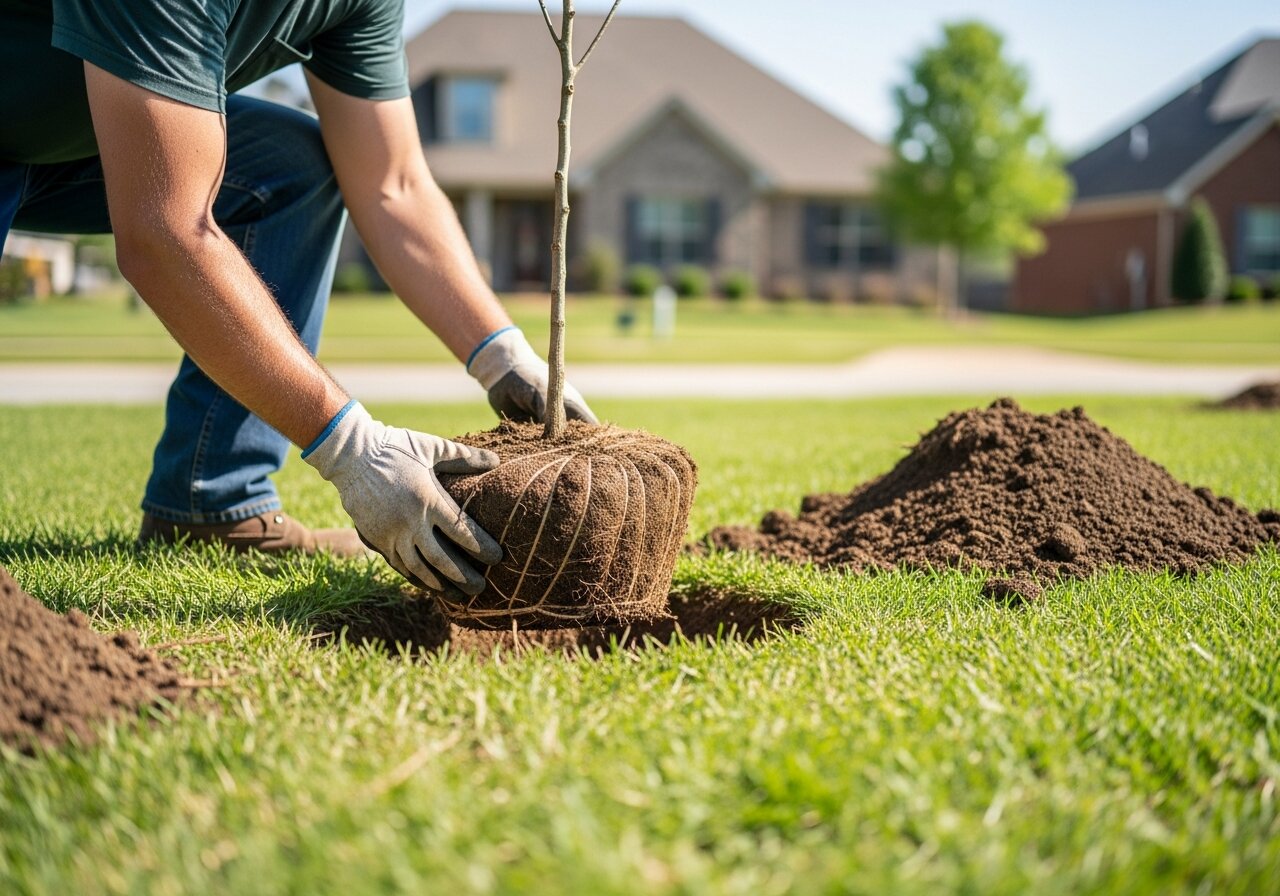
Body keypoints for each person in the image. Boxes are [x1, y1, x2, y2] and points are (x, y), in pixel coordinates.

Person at [0, 0, 596, 598]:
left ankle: (212, 506)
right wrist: (354, 450)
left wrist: (505, 358)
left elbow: (393, 185)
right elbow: (166, 232)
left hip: (74, 140)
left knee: (293, 169)